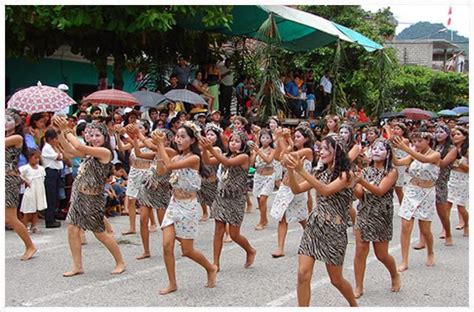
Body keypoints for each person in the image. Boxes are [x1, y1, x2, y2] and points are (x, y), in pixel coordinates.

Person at [285, 135, 357, 307]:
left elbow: (325, 190)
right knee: (303, 274)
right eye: (321, 148)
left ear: (337, 151)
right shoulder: (320, 173)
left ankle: (354, 306)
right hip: (315, 226)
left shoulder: (347, 175)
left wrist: (302, 171)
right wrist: (291, 169)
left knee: (336, 280)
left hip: (335, 230)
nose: (321, 152)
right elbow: (296, 189)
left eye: (326, 149)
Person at [53, 117, 126, 276]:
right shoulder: (90, 152)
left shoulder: (105, 152)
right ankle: (77, 266)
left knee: (100, 234)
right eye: (91, 135)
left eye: (97, 135)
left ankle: (120, 262)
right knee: (72, 229)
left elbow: (78, 145)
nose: (94, 139)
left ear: (105, 137)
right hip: (79, 195)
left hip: (93, 199)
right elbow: (70, 151)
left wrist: (67, 130)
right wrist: (59, 133)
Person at [153, 122, 218, 295]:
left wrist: (160, 144)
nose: (178, 139)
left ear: (192, 140)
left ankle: (210, 268)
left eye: (183, 137)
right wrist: (160, 150)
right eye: (177, 136)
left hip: (188, 207)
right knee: (167, 245)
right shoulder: (175, 157)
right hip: (174, 204)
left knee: (187, 250)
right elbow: (161, 170)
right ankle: (172, 283)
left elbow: (170, 167)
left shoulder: (194, 159)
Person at [201, 130, 257, 272]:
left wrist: (210, 149)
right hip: (221, 196)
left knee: (234, 234)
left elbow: (227, 162)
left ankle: (250, 250)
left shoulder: (244, 157)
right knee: (218, 230)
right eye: (231, 140)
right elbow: (207, 161)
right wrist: (204, 150)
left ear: (243, 144)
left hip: (236, 198)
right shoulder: (225, 155)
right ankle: (216, 263)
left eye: (237, 141)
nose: (233, 143)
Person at [353, 139, 401, 298]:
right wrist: (353, 184)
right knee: (360, 250)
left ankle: (394, 274)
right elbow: (360, 194)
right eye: (374, 148)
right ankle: (358, 285)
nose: (376, 151)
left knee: (381, 254)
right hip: (364, 212)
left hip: (381, 214)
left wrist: (361, 181)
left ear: (388, 153)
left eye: (381, 149)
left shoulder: (391, 172)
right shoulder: (365, 171)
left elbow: (380, 191)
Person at [391, 130, 441, 272]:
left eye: (420, 141)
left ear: (428, 141)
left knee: (425, 229)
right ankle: (404, 260)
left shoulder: (435, 155)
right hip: (412, 190)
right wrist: (392, 150)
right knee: (406, 226)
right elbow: (398, 162)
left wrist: (406, 148)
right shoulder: (412, 154)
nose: (416, 144)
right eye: (415, 141)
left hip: (427, 191)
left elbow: (424, 160)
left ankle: (430, 251)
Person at [128, 125, 176, 260]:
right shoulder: (156, 153)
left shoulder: (170, 152)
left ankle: (176, 244)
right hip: (148, 188)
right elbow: (139, 154)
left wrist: (139, 133)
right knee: (143, 220)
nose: (157, 141)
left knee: (164, 224)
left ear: (168, 141)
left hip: (161, 190)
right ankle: (146, 250)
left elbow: (150, 145)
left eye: (162, 139)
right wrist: (135, 139)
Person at [270, 126, 314, 258]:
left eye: (299, 137)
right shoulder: (291, 148)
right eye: (295, 136)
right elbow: (279, 157)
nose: (296, 139)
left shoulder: (308, 151)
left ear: (306, 139)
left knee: (301, 218)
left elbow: (289, 158)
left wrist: (281, 138)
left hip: (298, 189)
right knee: (282, 217)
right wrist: (282, 140)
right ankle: (280, 248)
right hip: (285, 187)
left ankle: (312, 239)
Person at [5, 114, 37, 261]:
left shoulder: (17, 138)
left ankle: (30, 246)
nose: (5, 122)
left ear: (17, 123)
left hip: (8, 180)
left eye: (8, 120)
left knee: (11, 218)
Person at [115, 120, 154, 235]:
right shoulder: (134, 141)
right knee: (131, 199)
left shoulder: (149, 141)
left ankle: (152, 222)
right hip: (134, 172)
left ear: (146, 130)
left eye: (140, 128)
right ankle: (132, 227)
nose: (137, 130)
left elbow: (139, 145)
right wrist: (118, 134)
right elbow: (121, 148)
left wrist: (127, 135)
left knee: (146, 200)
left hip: (146, 172)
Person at [250, 130, 276, 230]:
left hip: (268, 177)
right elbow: (252, 163)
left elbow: (268, 160)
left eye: (267, 138)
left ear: (270, 140)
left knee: (263, 199)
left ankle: (261, 221)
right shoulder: (257, 150)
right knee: (258, 199)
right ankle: (264, 219)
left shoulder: (272, 150)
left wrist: (259, 151)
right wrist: (254, 153)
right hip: (258, 176)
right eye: (263, 137)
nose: (264, 140)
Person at [198, 124, 224, 222]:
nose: (209, 137)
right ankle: (205, 212)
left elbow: (205, 159)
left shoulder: (216, 149)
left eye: (212, 135)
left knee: (213, 199)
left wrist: (203, 149)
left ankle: (217, 213)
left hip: (212, 177)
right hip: (202, 176)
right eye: (207, 135)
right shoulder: (202, 149)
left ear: (217, 138)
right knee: (200, 196)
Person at [446, 126, 469, 237]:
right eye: (454, 134)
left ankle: (467, 225)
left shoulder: (468, 150)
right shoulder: (451, 149)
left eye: (458, 134)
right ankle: (445, 229)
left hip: (463, 179)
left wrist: (458, 161)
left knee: (461, 206)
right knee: (447, 204)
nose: (455, 136)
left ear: (465, 137)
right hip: (451, 177)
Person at [19, 149, 47, 234]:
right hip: (31, 190)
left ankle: (34, 226)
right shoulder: (25, 168)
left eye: (38, 158)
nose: (37, 160)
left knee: (36, 209)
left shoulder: (41, 169)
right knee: (28, 209)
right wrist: (25, 181)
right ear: (29, 158)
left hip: (39, 190)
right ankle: (25, 226)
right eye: (35, 158)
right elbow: (18, 174)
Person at [41, 128, 63, 228]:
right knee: (51, 196)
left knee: (55, 196)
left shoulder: (51, 147)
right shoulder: (47, 148)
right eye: (55, 139)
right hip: (50, 173)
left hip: (56, 173)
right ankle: (49, 220)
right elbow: (58, 157)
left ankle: (53, 216)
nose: (56, 141)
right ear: (50, 139)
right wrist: (58, 150)